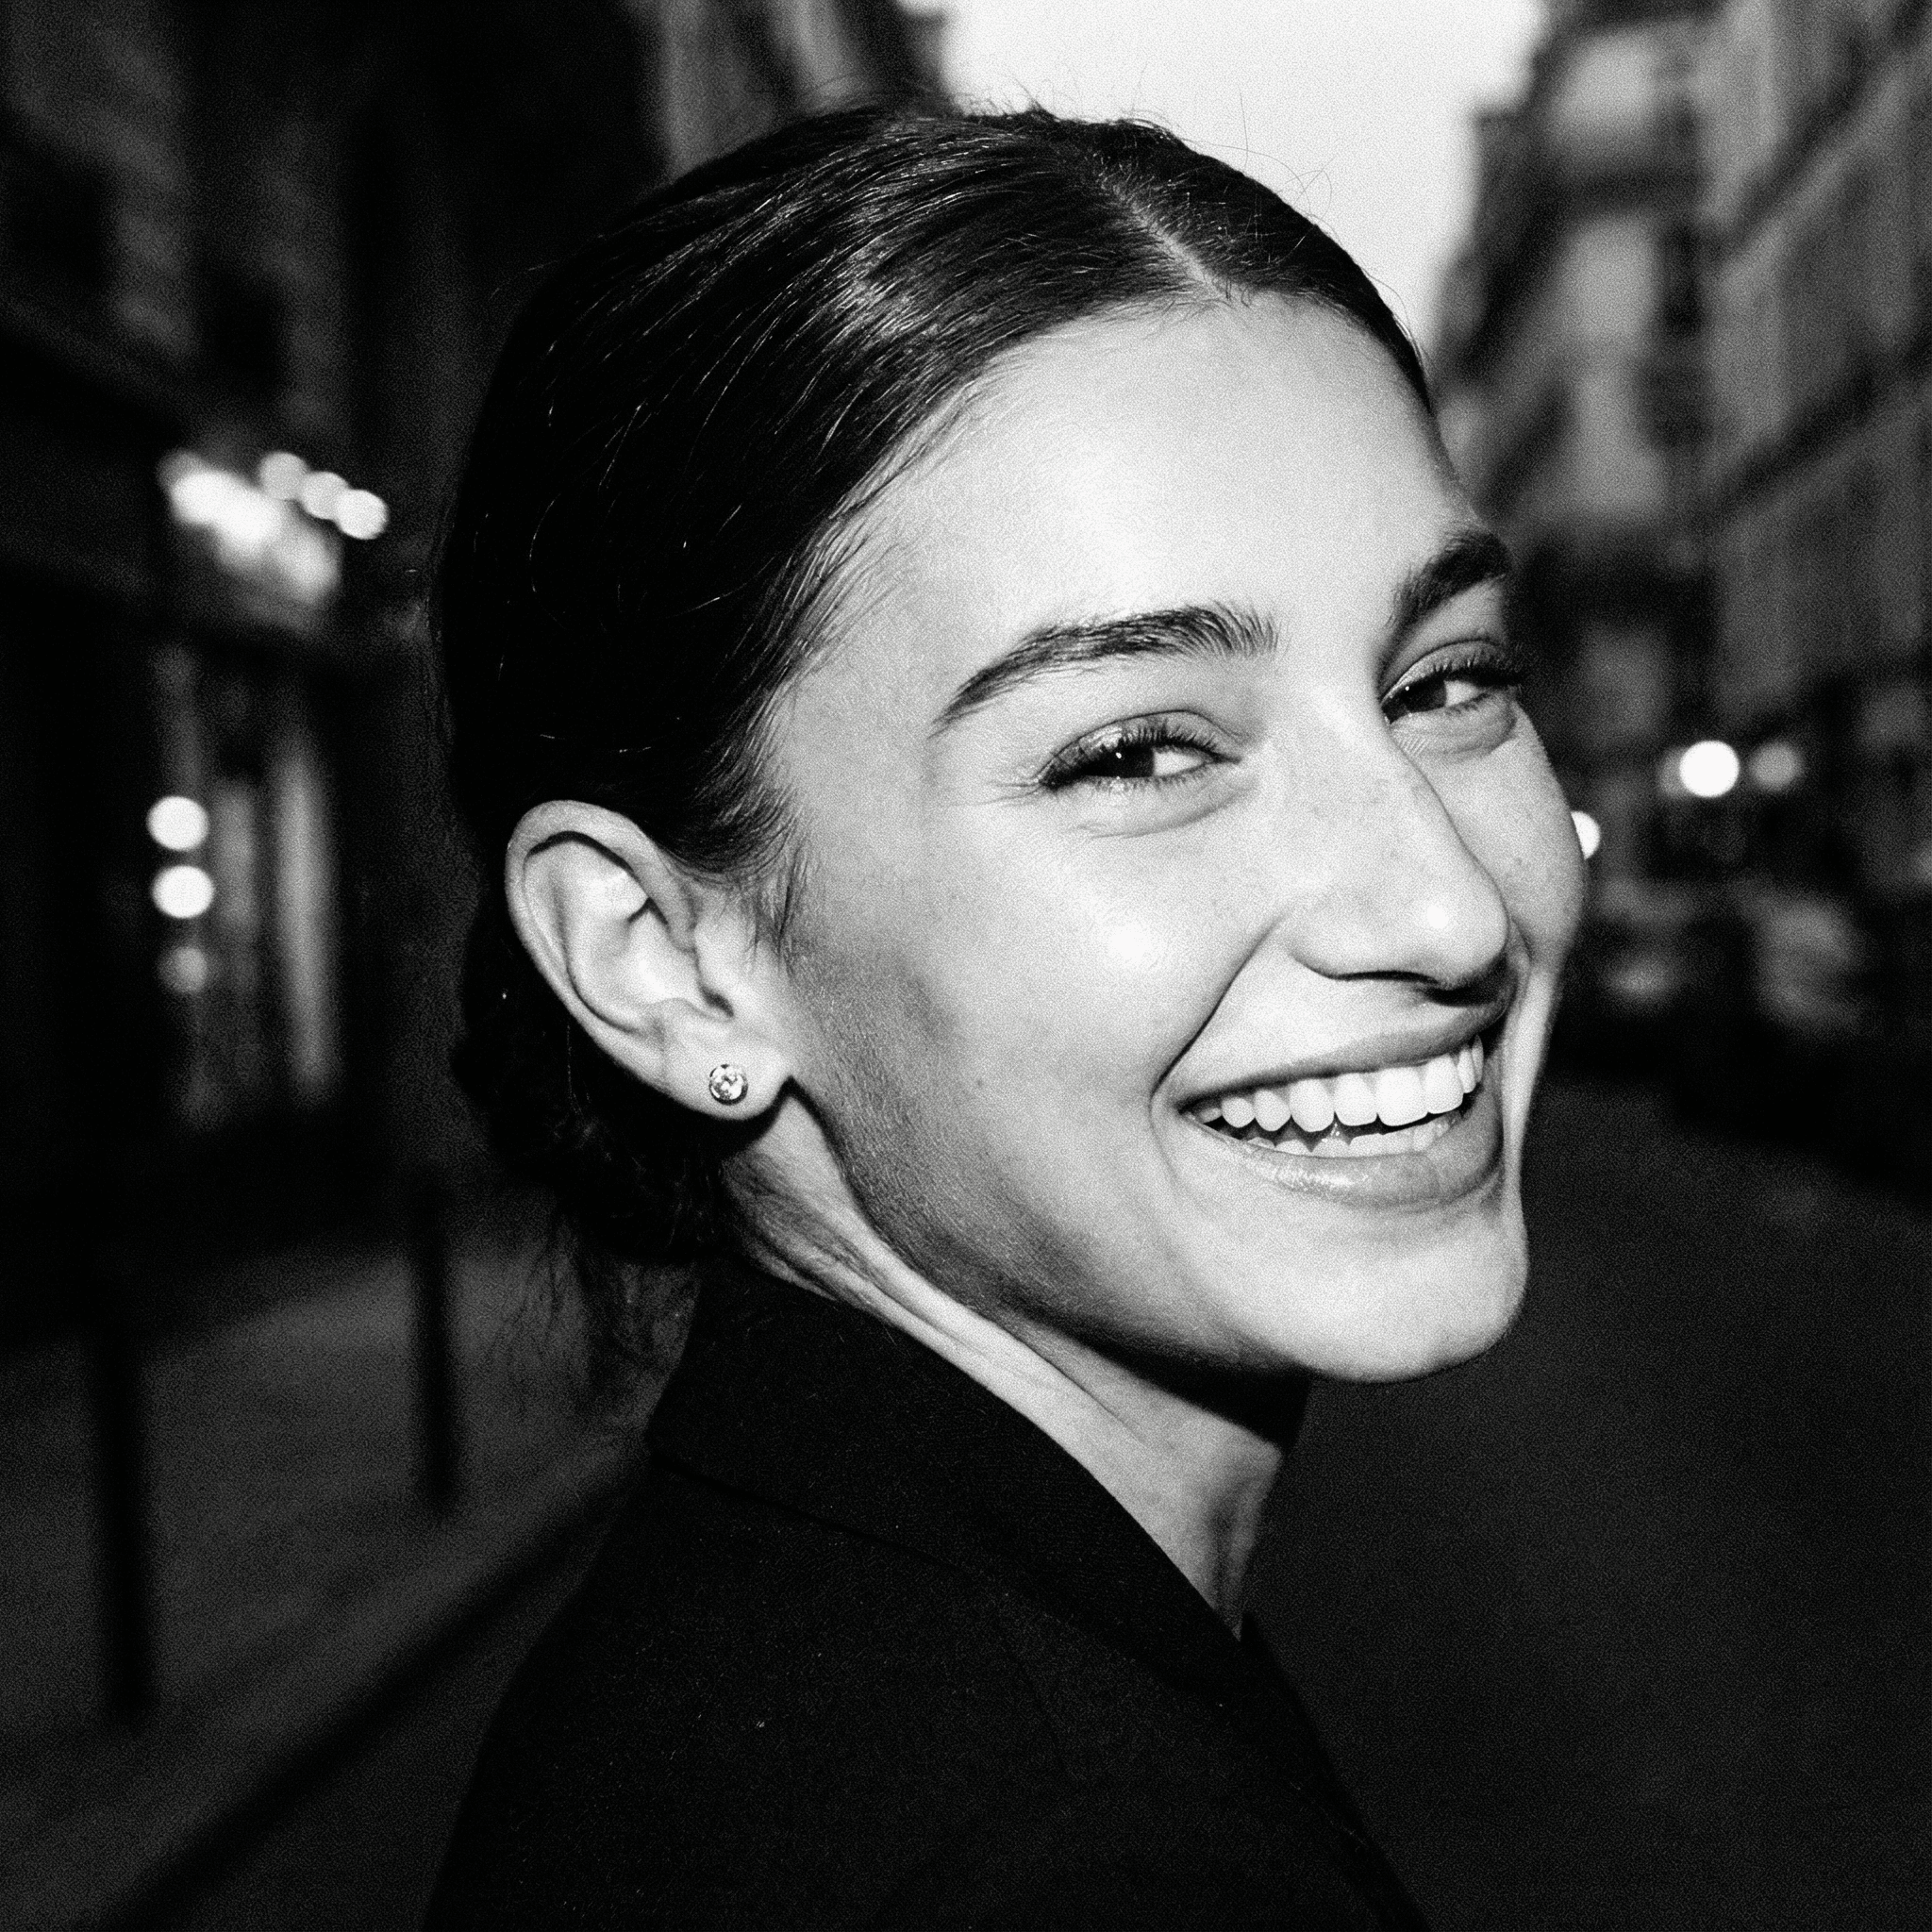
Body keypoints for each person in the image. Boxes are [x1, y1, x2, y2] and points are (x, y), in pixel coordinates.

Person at [425, 103, 1583, 1930]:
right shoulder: (1085, 1868)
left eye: (1448, 681)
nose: (1447, 905)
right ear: (663, 955)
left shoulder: (789, 1659)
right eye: (1139, 751)